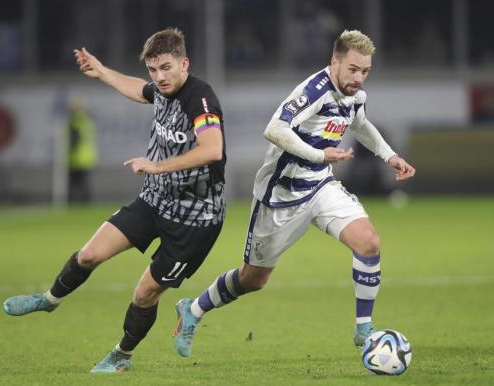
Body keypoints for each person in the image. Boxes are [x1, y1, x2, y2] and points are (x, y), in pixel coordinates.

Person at [173, 30, 416, 358]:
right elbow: (273, 129)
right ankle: (193, 309)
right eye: (353, 69)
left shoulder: (354, 96)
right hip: (279, 198)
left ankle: (364, 329)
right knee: (253, 279)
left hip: (320, 187)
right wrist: (320, 155)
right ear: (335, 62)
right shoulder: (314, 90)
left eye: (365, 71)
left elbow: (360, 125)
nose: (359, 78)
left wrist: (390, 156)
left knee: (369, 242)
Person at [2, 28, 226, 373]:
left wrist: (157, 165)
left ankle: (121, 355)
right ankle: (49, 299)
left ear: (185, 63)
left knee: (144, 294)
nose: (160, 77)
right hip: (156, 199)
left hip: (195, 218)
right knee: (89, 253)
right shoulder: (162, 89)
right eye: (154, 70)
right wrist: (101, 71)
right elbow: (140, 90)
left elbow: (213, 149)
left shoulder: (200, 97)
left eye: (166, 68)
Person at [67, 103, 97, 203]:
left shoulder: (74, 124)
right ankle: (86, 203)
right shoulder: (88, 122)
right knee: (84, 184)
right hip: (87, 157)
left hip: (76, 158)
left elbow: (73, 143)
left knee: (73, 184)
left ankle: (72, 203)